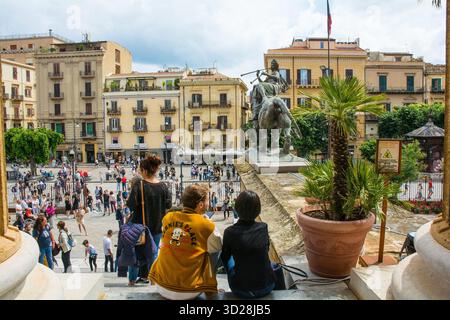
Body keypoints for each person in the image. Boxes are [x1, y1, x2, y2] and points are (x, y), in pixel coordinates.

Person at [149, 184, 223, 300]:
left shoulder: (168, 217)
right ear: (201, 205)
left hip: (162, 286)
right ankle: (209, 287)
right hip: (189, 291)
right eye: (207, 200)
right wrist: (208, 222)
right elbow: (218, 246)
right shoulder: (206, 225)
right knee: (209, 251)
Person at [220, 191, 277, 299]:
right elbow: (266, 249)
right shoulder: (263, 227)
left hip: (241, 290)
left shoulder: (230, 232)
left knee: (228, 258)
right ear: (258, 210)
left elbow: (225, 257)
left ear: (236, 208)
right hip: (268, 286)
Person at [126, 155, 172, 284]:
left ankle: (132, 280)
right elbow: (168, 206)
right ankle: (153, 279)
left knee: (136, 252)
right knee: (153, 253)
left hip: (139, 226)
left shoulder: (139, 185)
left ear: (144, 170)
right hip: (157, 226)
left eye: (140, 170)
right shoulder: (163, 186)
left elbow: (130, 205)